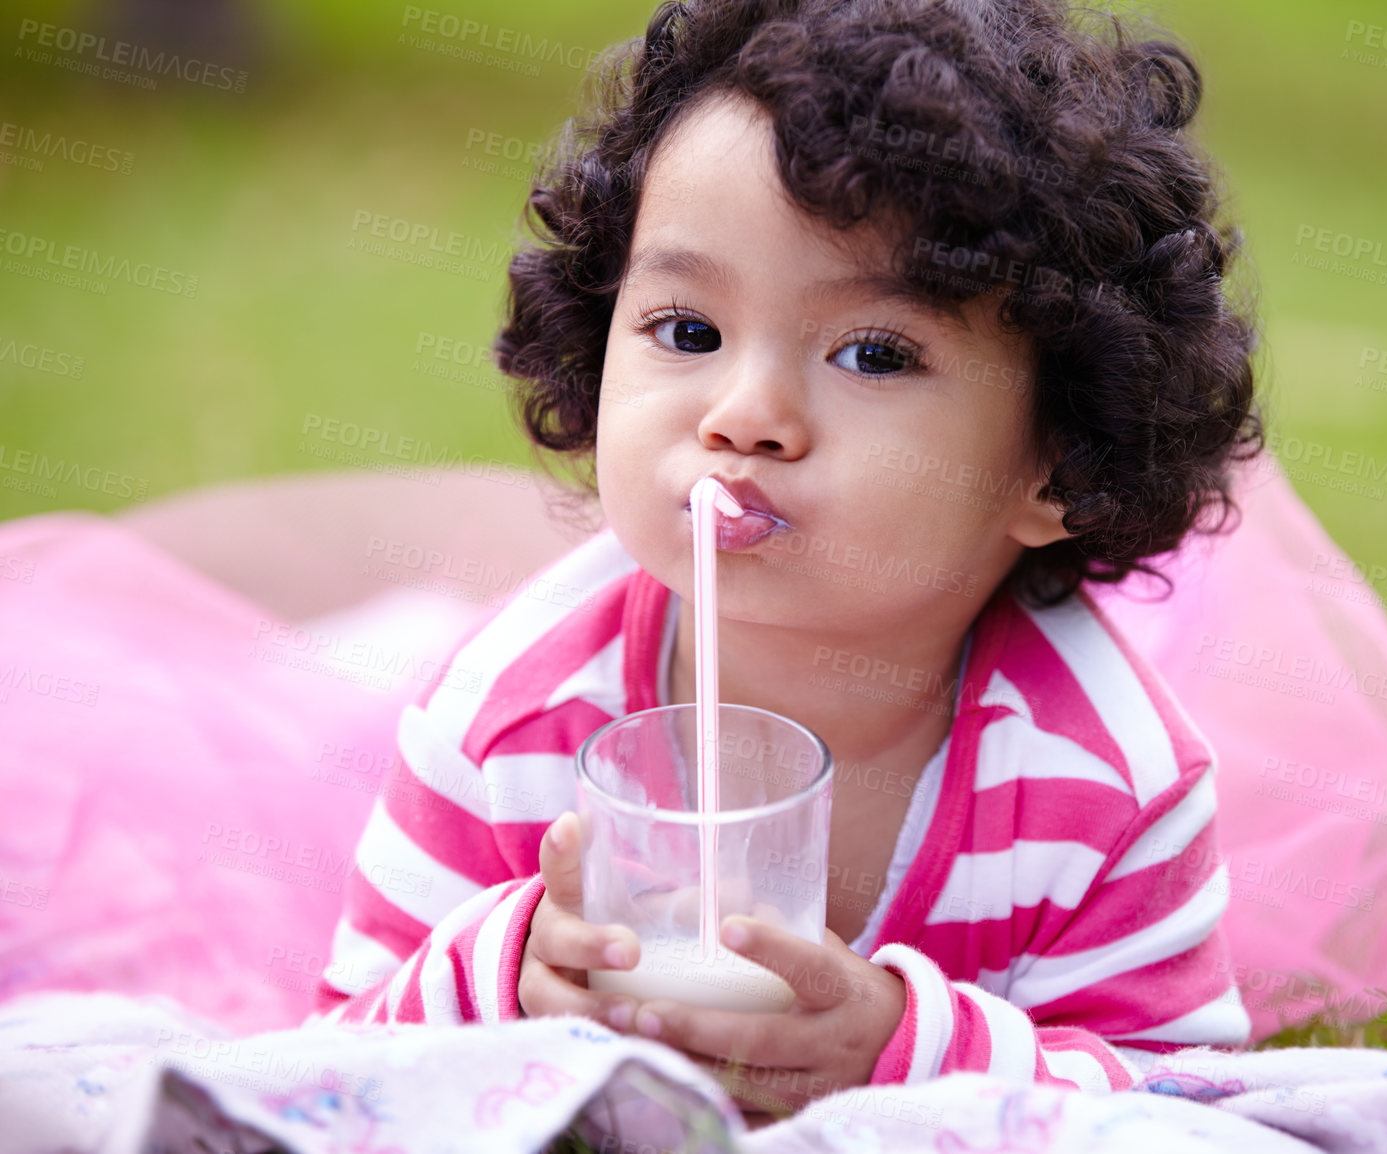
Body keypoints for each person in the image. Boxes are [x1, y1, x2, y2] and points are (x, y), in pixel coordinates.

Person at [308, 0, 1265, 1113]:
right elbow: (329, 1064)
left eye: (871, 351)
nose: (743, 413)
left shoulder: (1106, 782)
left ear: (1055, 462)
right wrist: (502, 976)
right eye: (688, 330)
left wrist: (907, 1052)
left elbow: (1179, 1107)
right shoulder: (508, 723)